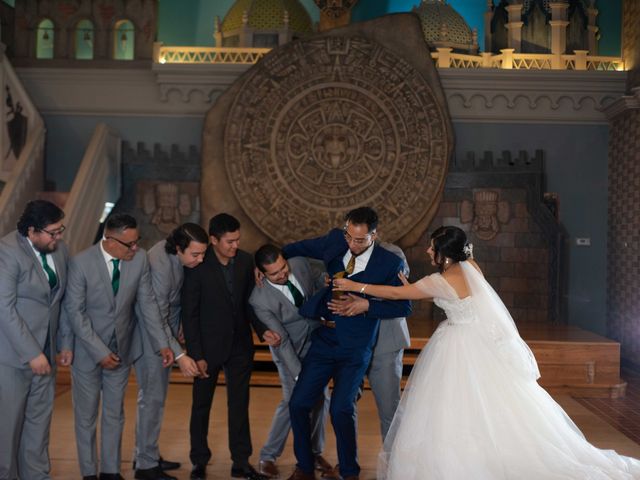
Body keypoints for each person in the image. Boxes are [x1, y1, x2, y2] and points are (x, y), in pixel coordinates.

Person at [333, 225, 640, 480]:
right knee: (494, 404)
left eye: (432, 248)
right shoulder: (470, 267)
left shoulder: (438, 280)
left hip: (457, 346)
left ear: (444, 254)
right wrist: (415, 285)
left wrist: (356, 286)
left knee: (452, 406)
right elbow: (435, 291)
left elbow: (396, 294)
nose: (428, 251)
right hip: (480, 341)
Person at [282, 206, 412, 480]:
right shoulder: (334, 241)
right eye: (349, 237)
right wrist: (269, 263)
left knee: (341, 407)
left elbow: (404, 307)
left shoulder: (390, 263)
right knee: (298, 404)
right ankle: (304, 467)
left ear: (374, 236)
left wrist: (367, 305)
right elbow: (297, 247)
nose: (352, 245)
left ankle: (349, 471)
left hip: (356, 345)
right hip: (324, 339)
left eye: (360, 240)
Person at [62, 213, 174, 480]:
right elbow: (75, 313)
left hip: (122, 351)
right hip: (88, 354)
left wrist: (162, 344)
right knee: (86, 417)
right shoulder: (81, 263)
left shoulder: (139, 261)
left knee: (115, 414)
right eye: (129, 244)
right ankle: (89, 472)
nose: (135, 249)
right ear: (109, 240)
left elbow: (148, 305)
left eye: (137, 242)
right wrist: (100, 352)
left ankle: (110, 472)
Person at [181, 213, 275, 480]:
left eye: (237, 240)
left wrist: (262, 330)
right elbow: (190, 314)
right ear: (213, 240)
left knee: (239, 404)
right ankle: (199, 461)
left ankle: (241, 462)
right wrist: (196, 354)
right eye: (230, 241)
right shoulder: (197, 265)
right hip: (206, 351)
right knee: (201, 406)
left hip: (240, 346)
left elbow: (250, 304)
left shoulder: (246, 261)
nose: (235, 245)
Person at [249, 245, 336, 480]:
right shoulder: (260, 300)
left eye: (283, 268)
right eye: (275, 274)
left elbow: (317, 279)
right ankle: (268, 456)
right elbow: (283, 341)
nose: (282, 274)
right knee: (293, 401)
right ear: (261, 273)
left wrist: (324, 283)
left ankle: (315, 453)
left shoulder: (298, 262)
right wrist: (301, 376)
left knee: (322, 397)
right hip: (289, 351)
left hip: (316, 343)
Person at [0, 200, 70, 480]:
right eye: (53, 232)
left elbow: (61, 302)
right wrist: (31, 352)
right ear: (32, 231)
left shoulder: (59, 250)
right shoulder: (7, 252)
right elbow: (4, 308)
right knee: (8, 428)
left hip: (47, 353)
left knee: (39, 426)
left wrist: (64, 343)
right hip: (12, 358)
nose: (59, 237)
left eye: (60, 230)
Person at [132, 223, 207, 480]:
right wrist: (179, 354)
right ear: (178, 249)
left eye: (203, 254)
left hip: (165, 335)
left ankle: (146, 454)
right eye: (195, 255)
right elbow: (154, 316)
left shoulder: (179, 260)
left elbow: (175, 305)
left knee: (154, 400)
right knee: (151, 401)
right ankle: (145, 466)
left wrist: (181, 327)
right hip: (150, 339)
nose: (200, 259)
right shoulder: (160, 264)